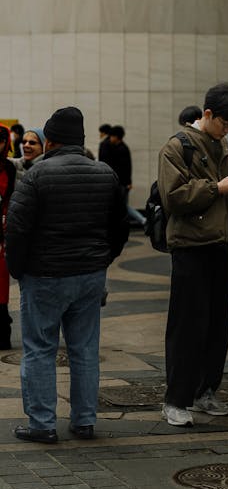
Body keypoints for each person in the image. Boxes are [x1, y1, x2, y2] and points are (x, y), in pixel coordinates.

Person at [5, 106, 129, 443]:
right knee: (85, 350)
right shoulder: (105, 173)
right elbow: (120, 226)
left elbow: (16, 230)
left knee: (39, 349)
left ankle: (42, 425)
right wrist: (103, 259)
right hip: (89, 275)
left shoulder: (36, 176)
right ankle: (84, 421)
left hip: (44, 275)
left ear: (50, 141)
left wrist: (18, 270)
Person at [158, 82, 228, 427]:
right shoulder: (177, 146)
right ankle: (176, 400)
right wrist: (217, 188)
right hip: (191, 248)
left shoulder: (224, 145)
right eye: (225, 123)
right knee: (187, 325)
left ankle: (205, 391)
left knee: (218, 325)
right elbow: (173, 197)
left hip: (223, 246)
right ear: (207, 114)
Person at [101, 125, 145, 227]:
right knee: (122, 206)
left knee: (123, 206)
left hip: (122, 183)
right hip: (122, 183)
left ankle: (143, 220)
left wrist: (128, 182)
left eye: (111, 136)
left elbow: (126, 168)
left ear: (116, 137)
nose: (110, 138)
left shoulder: (121, 149)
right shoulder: (119, 148)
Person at [0, 124, 16, 350]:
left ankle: (2, 333)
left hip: (2, 231)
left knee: (1, 284)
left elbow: (10, 198)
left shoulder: (9, 168)